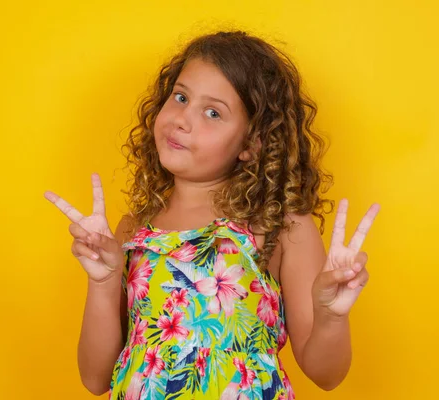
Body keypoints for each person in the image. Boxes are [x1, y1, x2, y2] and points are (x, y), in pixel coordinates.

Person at [44, 30, 380, 399]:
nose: (182, 119)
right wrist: (104, 282)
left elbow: (326, 374)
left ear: (251, 144)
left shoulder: (280, 227)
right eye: (181, 97)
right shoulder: (134, 229)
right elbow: (95, 379)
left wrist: (331, 316)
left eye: (213, 112)